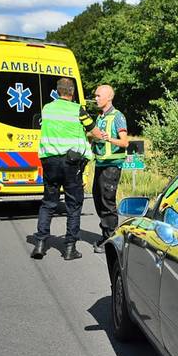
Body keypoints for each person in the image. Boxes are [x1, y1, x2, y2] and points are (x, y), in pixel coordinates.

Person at [31, 78, 105, 261]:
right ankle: (70, 248)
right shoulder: (78, 110)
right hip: (71, 164)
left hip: (49, 162)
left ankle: (40, 243)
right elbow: (95, 132)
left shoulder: (47, 109)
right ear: (72, 92)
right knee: (73, 205)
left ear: (57, 92)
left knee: (48, 203)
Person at [89, 84, 130, 253]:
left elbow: (125, 142)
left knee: (107, 203)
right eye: (96, 95)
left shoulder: (117, 116)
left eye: (99, 95)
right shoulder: (100, 117)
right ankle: (106, 234)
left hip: (112, 166)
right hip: (100, 164)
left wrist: (109, 138)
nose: (96, 98)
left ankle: (110, 240)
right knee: (98, 200)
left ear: (109, 98)